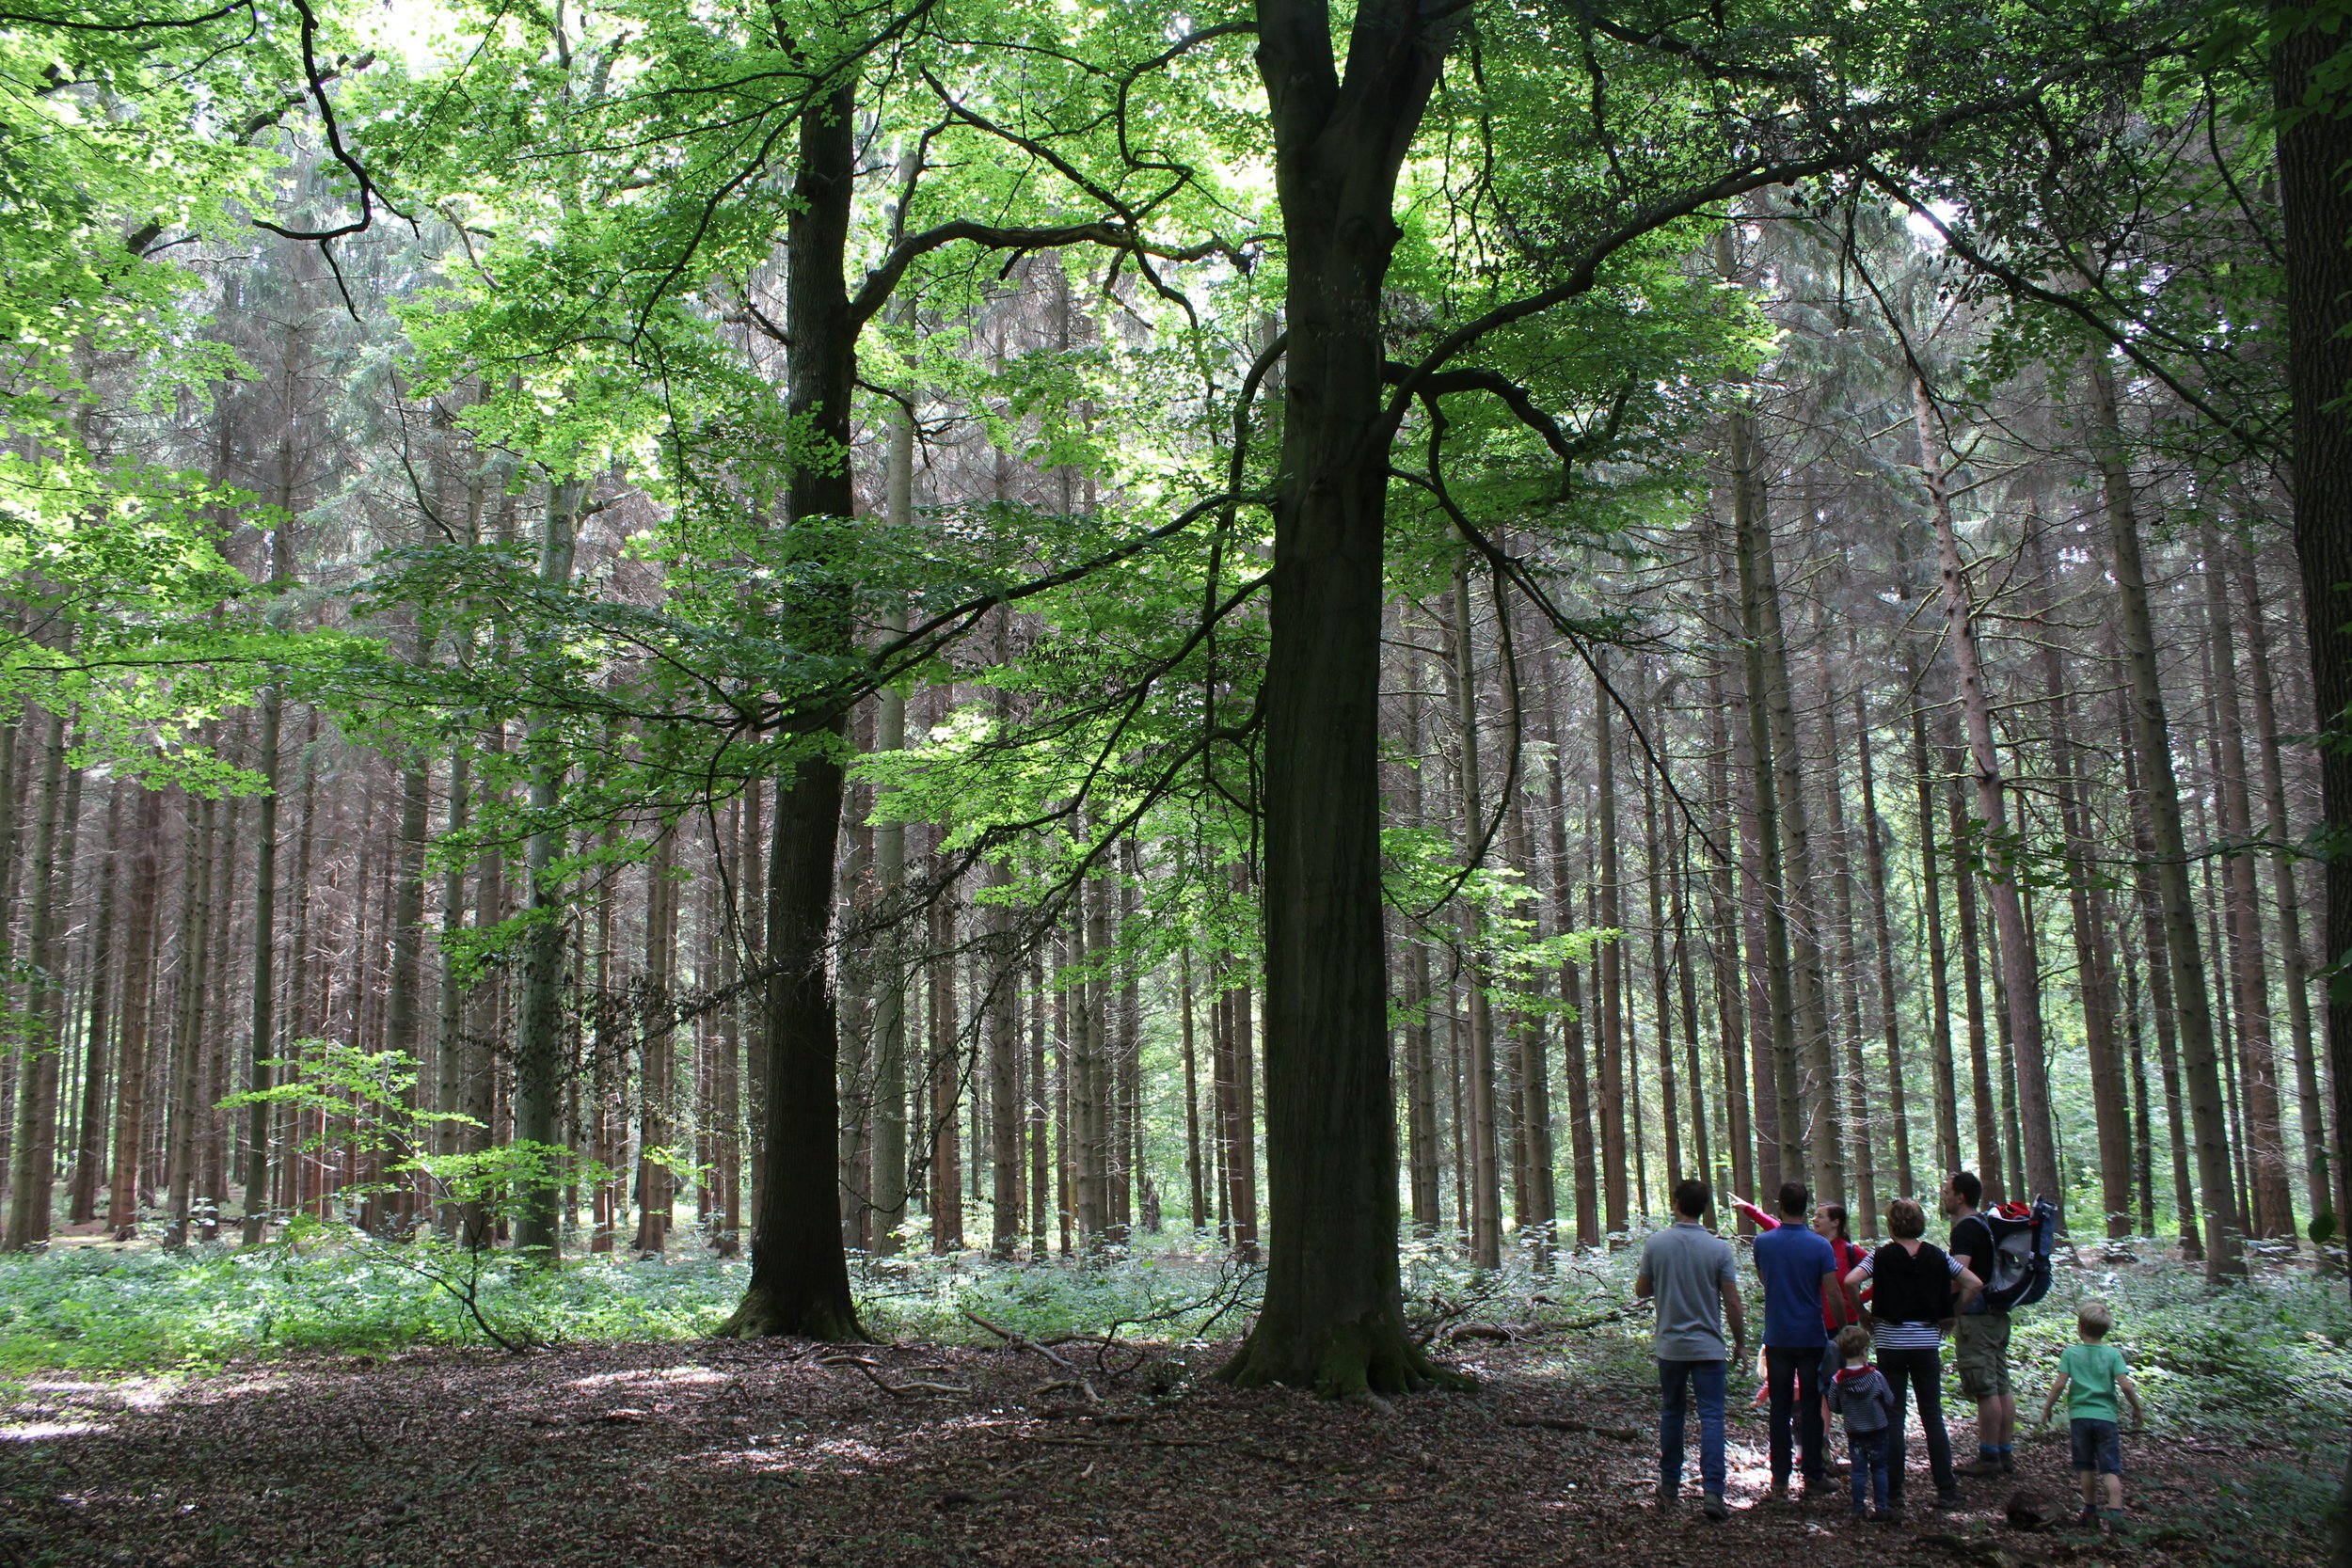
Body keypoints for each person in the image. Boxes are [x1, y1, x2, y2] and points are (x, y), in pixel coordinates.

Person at [1842, 1196, 1982, 1516]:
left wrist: (1862, 1313)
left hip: (1891, 1344)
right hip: (1926, 1344)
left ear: (1892, 1225)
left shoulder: (1881, 1256)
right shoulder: (1937, 1255)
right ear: (1919, 1223)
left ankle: (1894, 1494)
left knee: (1893, 1418)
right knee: (1932, 1415)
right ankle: (1946, 1491)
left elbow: (1850, 1281)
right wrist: (1954, 1313)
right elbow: (1974, 1283)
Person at [1636, 1177, 1747, 1522]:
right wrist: (1741, 1342)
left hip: (1671, 1346)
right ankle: (1713, 1492)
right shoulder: (1719, 1248)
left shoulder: (1657, 1243)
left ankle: (1669, 1487)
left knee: (1672, 1413)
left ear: (1676, 1203)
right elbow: (1731, 1301)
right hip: (1710, 1347)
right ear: (1703, 1208)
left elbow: (1641, 1290)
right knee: (1712, 1416)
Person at [1751, 1180, 1841, 1500]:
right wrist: (1842, 1326)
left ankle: (1779, 1480)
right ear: (1805, 1207)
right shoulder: (1820, 1246)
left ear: (1780, 1205)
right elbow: (1831, 1290)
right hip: (1811, 1335)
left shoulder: (1763, 1243)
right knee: (1813, 1404)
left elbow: (1765, 1280)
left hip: (1778, 1336)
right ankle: (1814, 1474)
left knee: (1780, 1407)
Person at [2039, 1299, 2144, 1533]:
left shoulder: (2071, 1354)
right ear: (2105, 1330)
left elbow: (2059, 1385)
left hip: (2080, 1418)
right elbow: (2126, 1386)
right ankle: (2115, 1515)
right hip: (2106, 1418)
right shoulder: (2113, 1354)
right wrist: (2137, 1408)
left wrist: (2047, 1408)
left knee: (2085, 1467)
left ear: (2080, 1327)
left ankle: (2090, 1512)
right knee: (2110, 1469)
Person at [1945, 1171, 2017, 1476]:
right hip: (1996, 1314)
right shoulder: (1986, 1224)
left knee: (1985, 1388)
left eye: (1947, 1191)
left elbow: (1959, 1276)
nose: (1944, 1196)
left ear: (1960, 1196)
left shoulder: (1965, 1230)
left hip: (1976, 1316)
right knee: (2000, 1384)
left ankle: (1989, 1457)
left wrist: (1947, 1308)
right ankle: (2004, 1452)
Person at [1828, 1323, 1896, 1522]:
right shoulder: (1875, 1376)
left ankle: (1858, 1508)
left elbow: (1833, 1405)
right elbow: (1890, 1399)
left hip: (1855, 1431)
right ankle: (1881, 1507)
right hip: (1878, 1428)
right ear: (1865, 1350)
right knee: (1880, 1468)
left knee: (1858, 1471)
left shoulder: (1837, 1380)